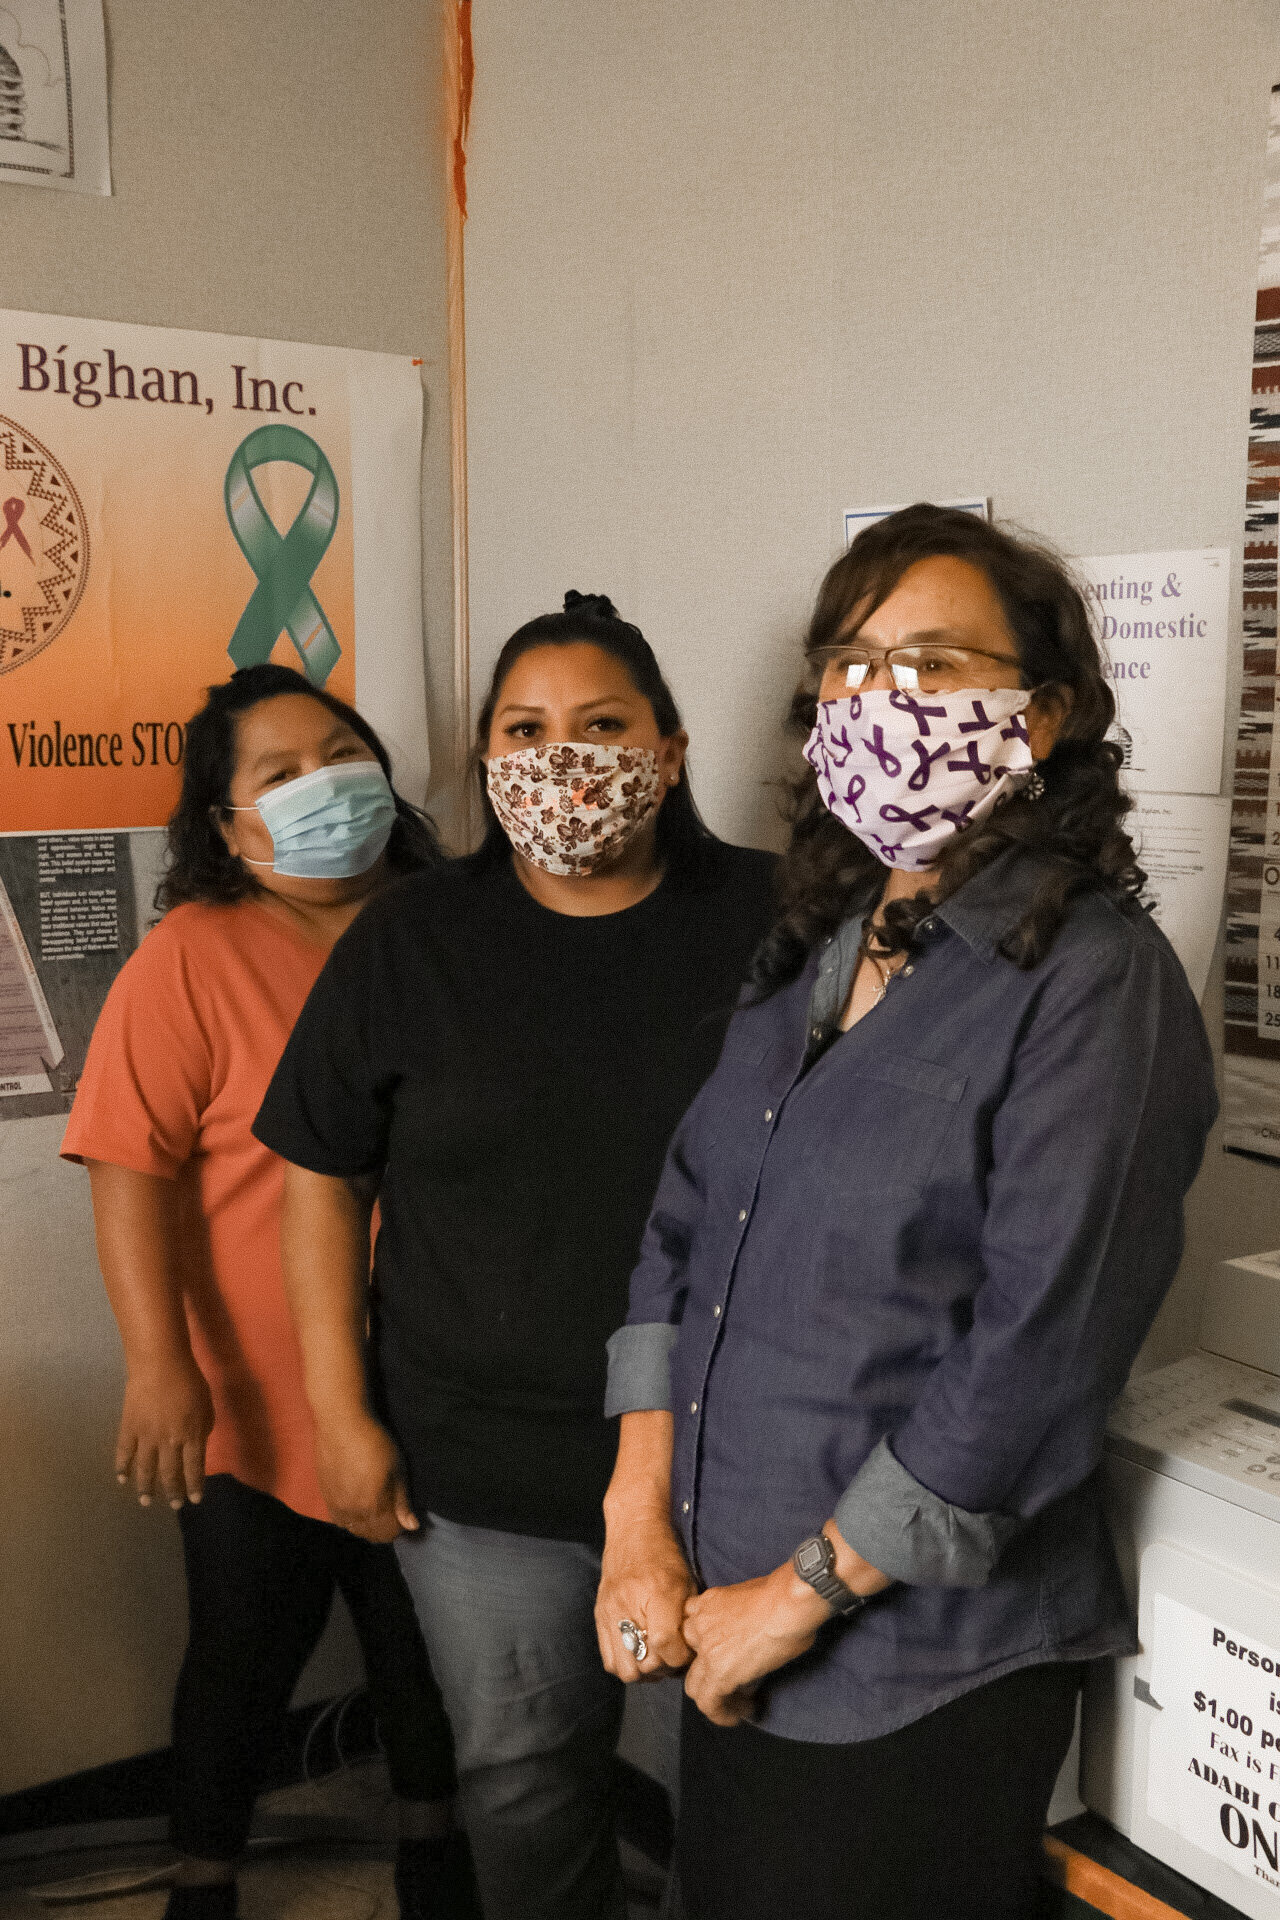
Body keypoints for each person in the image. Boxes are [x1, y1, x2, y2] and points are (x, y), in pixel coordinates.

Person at [595, 507, 1219, 1920]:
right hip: (721, 1602)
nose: (881, 698)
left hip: (913, 1665)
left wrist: (798, 1594)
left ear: (1043, 713)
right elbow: (682, 1227)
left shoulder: (1093, 981)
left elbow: (1035, 1353)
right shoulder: (815, 946)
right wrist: (642, 1514)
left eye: (932, 663)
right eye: (853, 661)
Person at [252, 593, 778, 1920]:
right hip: (480, 1473)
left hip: (734, 1459)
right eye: (526, 728)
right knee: (524, 1784)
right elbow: (321, 1176)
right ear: (487, 759)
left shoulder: (779, 923)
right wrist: (338, 1411)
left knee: (738, 1788)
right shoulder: (415, 939)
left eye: (601, 725)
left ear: (667, 747)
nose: (564, 756)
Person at [62, 665, 475, 1920]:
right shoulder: (189, 958)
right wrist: (159, 1363)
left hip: (437, 1377)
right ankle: (204, 1878)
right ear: (227, 824)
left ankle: (429, 1855)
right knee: (242, 1656)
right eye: (278, 774)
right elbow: (129, 1168)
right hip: (253, 1392)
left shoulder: (453, 925)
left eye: (339, 753)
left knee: (422, 1653)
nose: (321, 787)